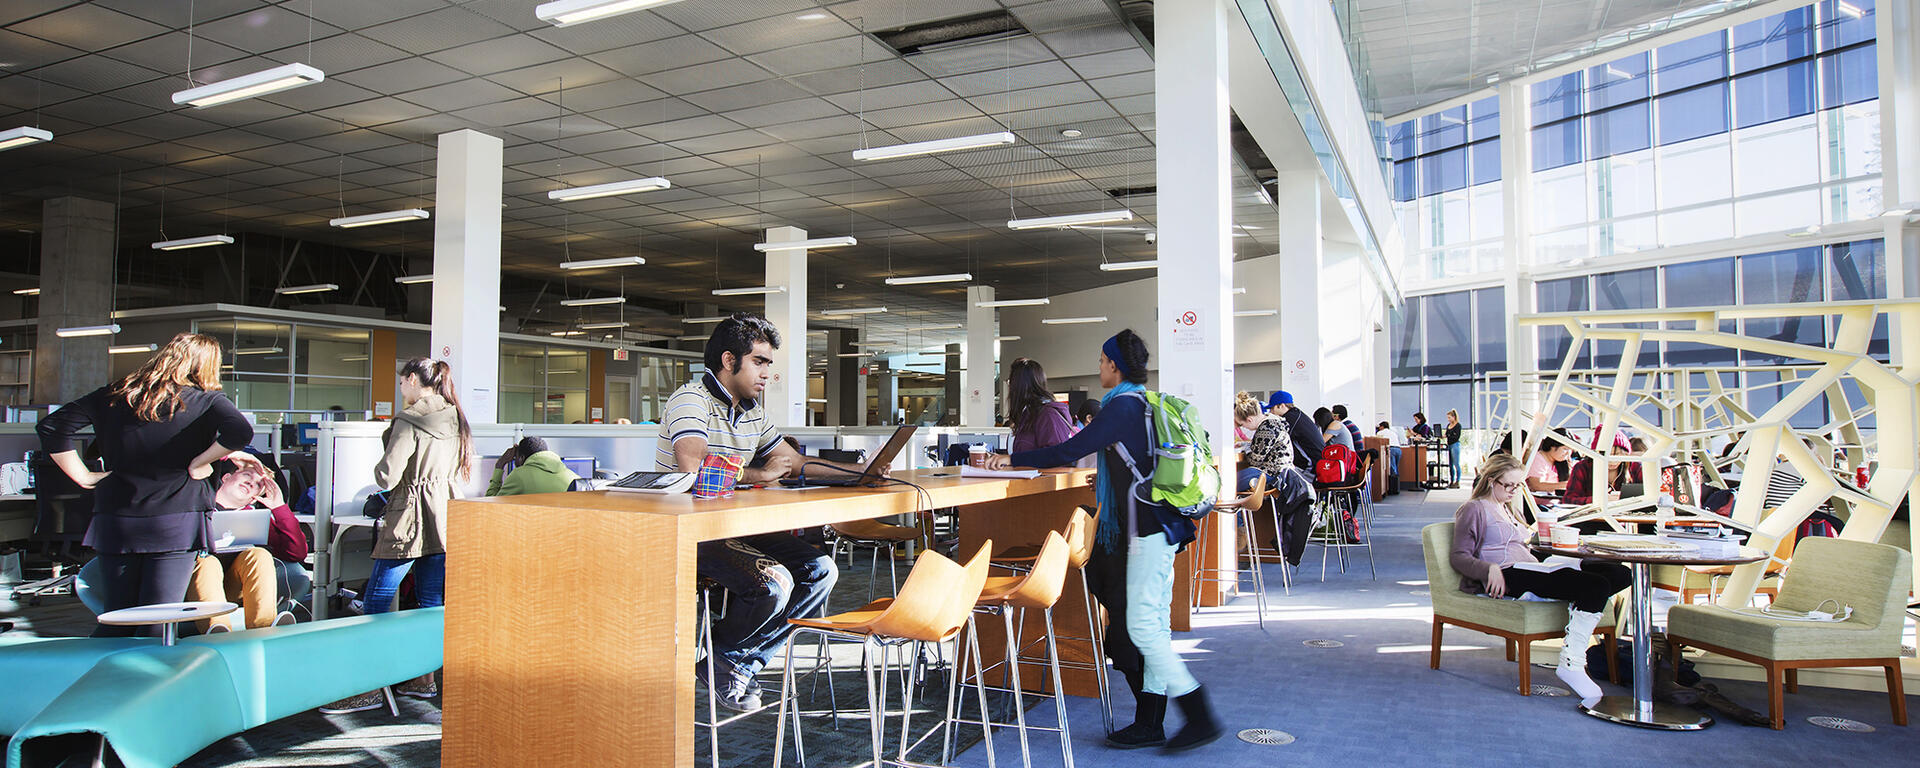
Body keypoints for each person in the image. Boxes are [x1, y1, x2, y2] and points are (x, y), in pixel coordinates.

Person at [986, 329, 1222, 752]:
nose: (1098, 368)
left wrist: (1012, 458)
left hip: (1149, 529)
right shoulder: (1143, 406)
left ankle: (1199, 714)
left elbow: (1067, 450)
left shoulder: (1123, 408)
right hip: (1157, 526)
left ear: (1115, 365)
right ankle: (1150, 722)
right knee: (1149, 627)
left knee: (1144, 631)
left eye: (1101, 361)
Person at [658, 313, 871, 712]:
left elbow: (792, 461)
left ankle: (729, 662)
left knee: (821, 571)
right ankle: (728, 663)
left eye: (769, 363)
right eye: (759, 361)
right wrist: (760, 472)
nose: (767, 373)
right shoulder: (691, 399)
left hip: (735, 526)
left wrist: (861, 472)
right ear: (728, 360)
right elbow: (691, 463)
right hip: (688, 531)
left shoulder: (753, 411)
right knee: (774, 584)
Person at [37, 332, 259, 637]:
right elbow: (239, 431)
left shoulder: (116, 395)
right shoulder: (206, 401)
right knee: (158, 619)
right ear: (208, 365)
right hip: (175, 520)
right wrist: (200, 461)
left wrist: (83, 476)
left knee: (117, 616)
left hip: (117, 518)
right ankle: (146, 679)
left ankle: (104, 679)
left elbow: (52, 426)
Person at [323, 357, 472, 713]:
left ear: (411, 380)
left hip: (408, 517)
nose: (400, 388)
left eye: (402, 382)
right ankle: (424, 679)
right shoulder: (455, 416)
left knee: (376, 603)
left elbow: (387, 477)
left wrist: (385, 448)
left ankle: (368, 686)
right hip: (443, 516)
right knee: (430, 604)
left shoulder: (409, 419)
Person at [1450, 453, 1630, 704]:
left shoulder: (1507, 506)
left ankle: (1581, 607)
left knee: (1619, 572)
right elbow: (1459, 556)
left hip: (1533, 566)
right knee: (1596, 585)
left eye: (1518, 485)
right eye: (1509, 485)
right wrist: (1487, 569)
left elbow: (1523, 546)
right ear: (1491, 481)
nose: (1514, 490)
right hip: (1508, 573)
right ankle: (1572, 662)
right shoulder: (1474, 509)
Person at [187, 461, 306, 632]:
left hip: (233, 585)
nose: (251, 483)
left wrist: (279, 508)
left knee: (259, 554)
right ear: (226, 477)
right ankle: (216, 630)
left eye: (259, 485)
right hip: (195, 582)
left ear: (255, 497)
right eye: (247, 475)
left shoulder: (255, 518)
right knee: (208, 563)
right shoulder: (196, 503)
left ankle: (263, 629)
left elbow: (296, 553)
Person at [1234, 392, 1312, 565]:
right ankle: (1240, 527)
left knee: (1227, 485)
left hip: (1269, 475)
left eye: (1242, 424)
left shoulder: (1266, 429)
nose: (1245, 428)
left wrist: (1247, 449)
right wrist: (1248, 445)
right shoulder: (1274, 423)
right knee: (1233, 486)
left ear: (1249, 419)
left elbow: (1256, 459)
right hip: (1279, 475)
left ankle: (1240, 528)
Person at [1006, 357, 1075, 453]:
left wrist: (1015, 460)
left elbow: (1057, 457)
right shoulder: (1028, 414)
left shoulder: (1048, 415)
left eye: (1010, 382)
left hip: (1039, 469)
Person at [486, 436, 580, 496]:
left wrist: (500, 465)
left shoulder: (519, 475)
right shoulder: (572, 476)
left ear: (521, 458)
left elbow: (491, 505)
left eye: (516, 458)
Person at [1266, 391, 1323, 470]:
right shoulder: (1296, 415)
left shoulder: (1290, 419)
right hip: (1317, 462)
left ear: (1282, 406)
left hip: (1311, 467)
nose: (1271, 412)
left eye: (1272, 408)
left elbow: (1277, 442)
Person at [1444, 409, 1463, 488]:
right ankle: (1452, 481)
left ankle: (1457, 481)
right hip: (1449, 445)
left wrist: (1448, 436)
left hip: (1455, 445)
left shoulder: (1458, 425)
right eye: (1447, 418)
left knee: (1456, 464)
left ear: (1454, 417)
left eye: (1449, 417)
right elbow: (1446, 434)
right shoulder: (1448, 426)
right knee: (1450, 464)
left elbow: (1456, 437)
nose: (1448, 419)